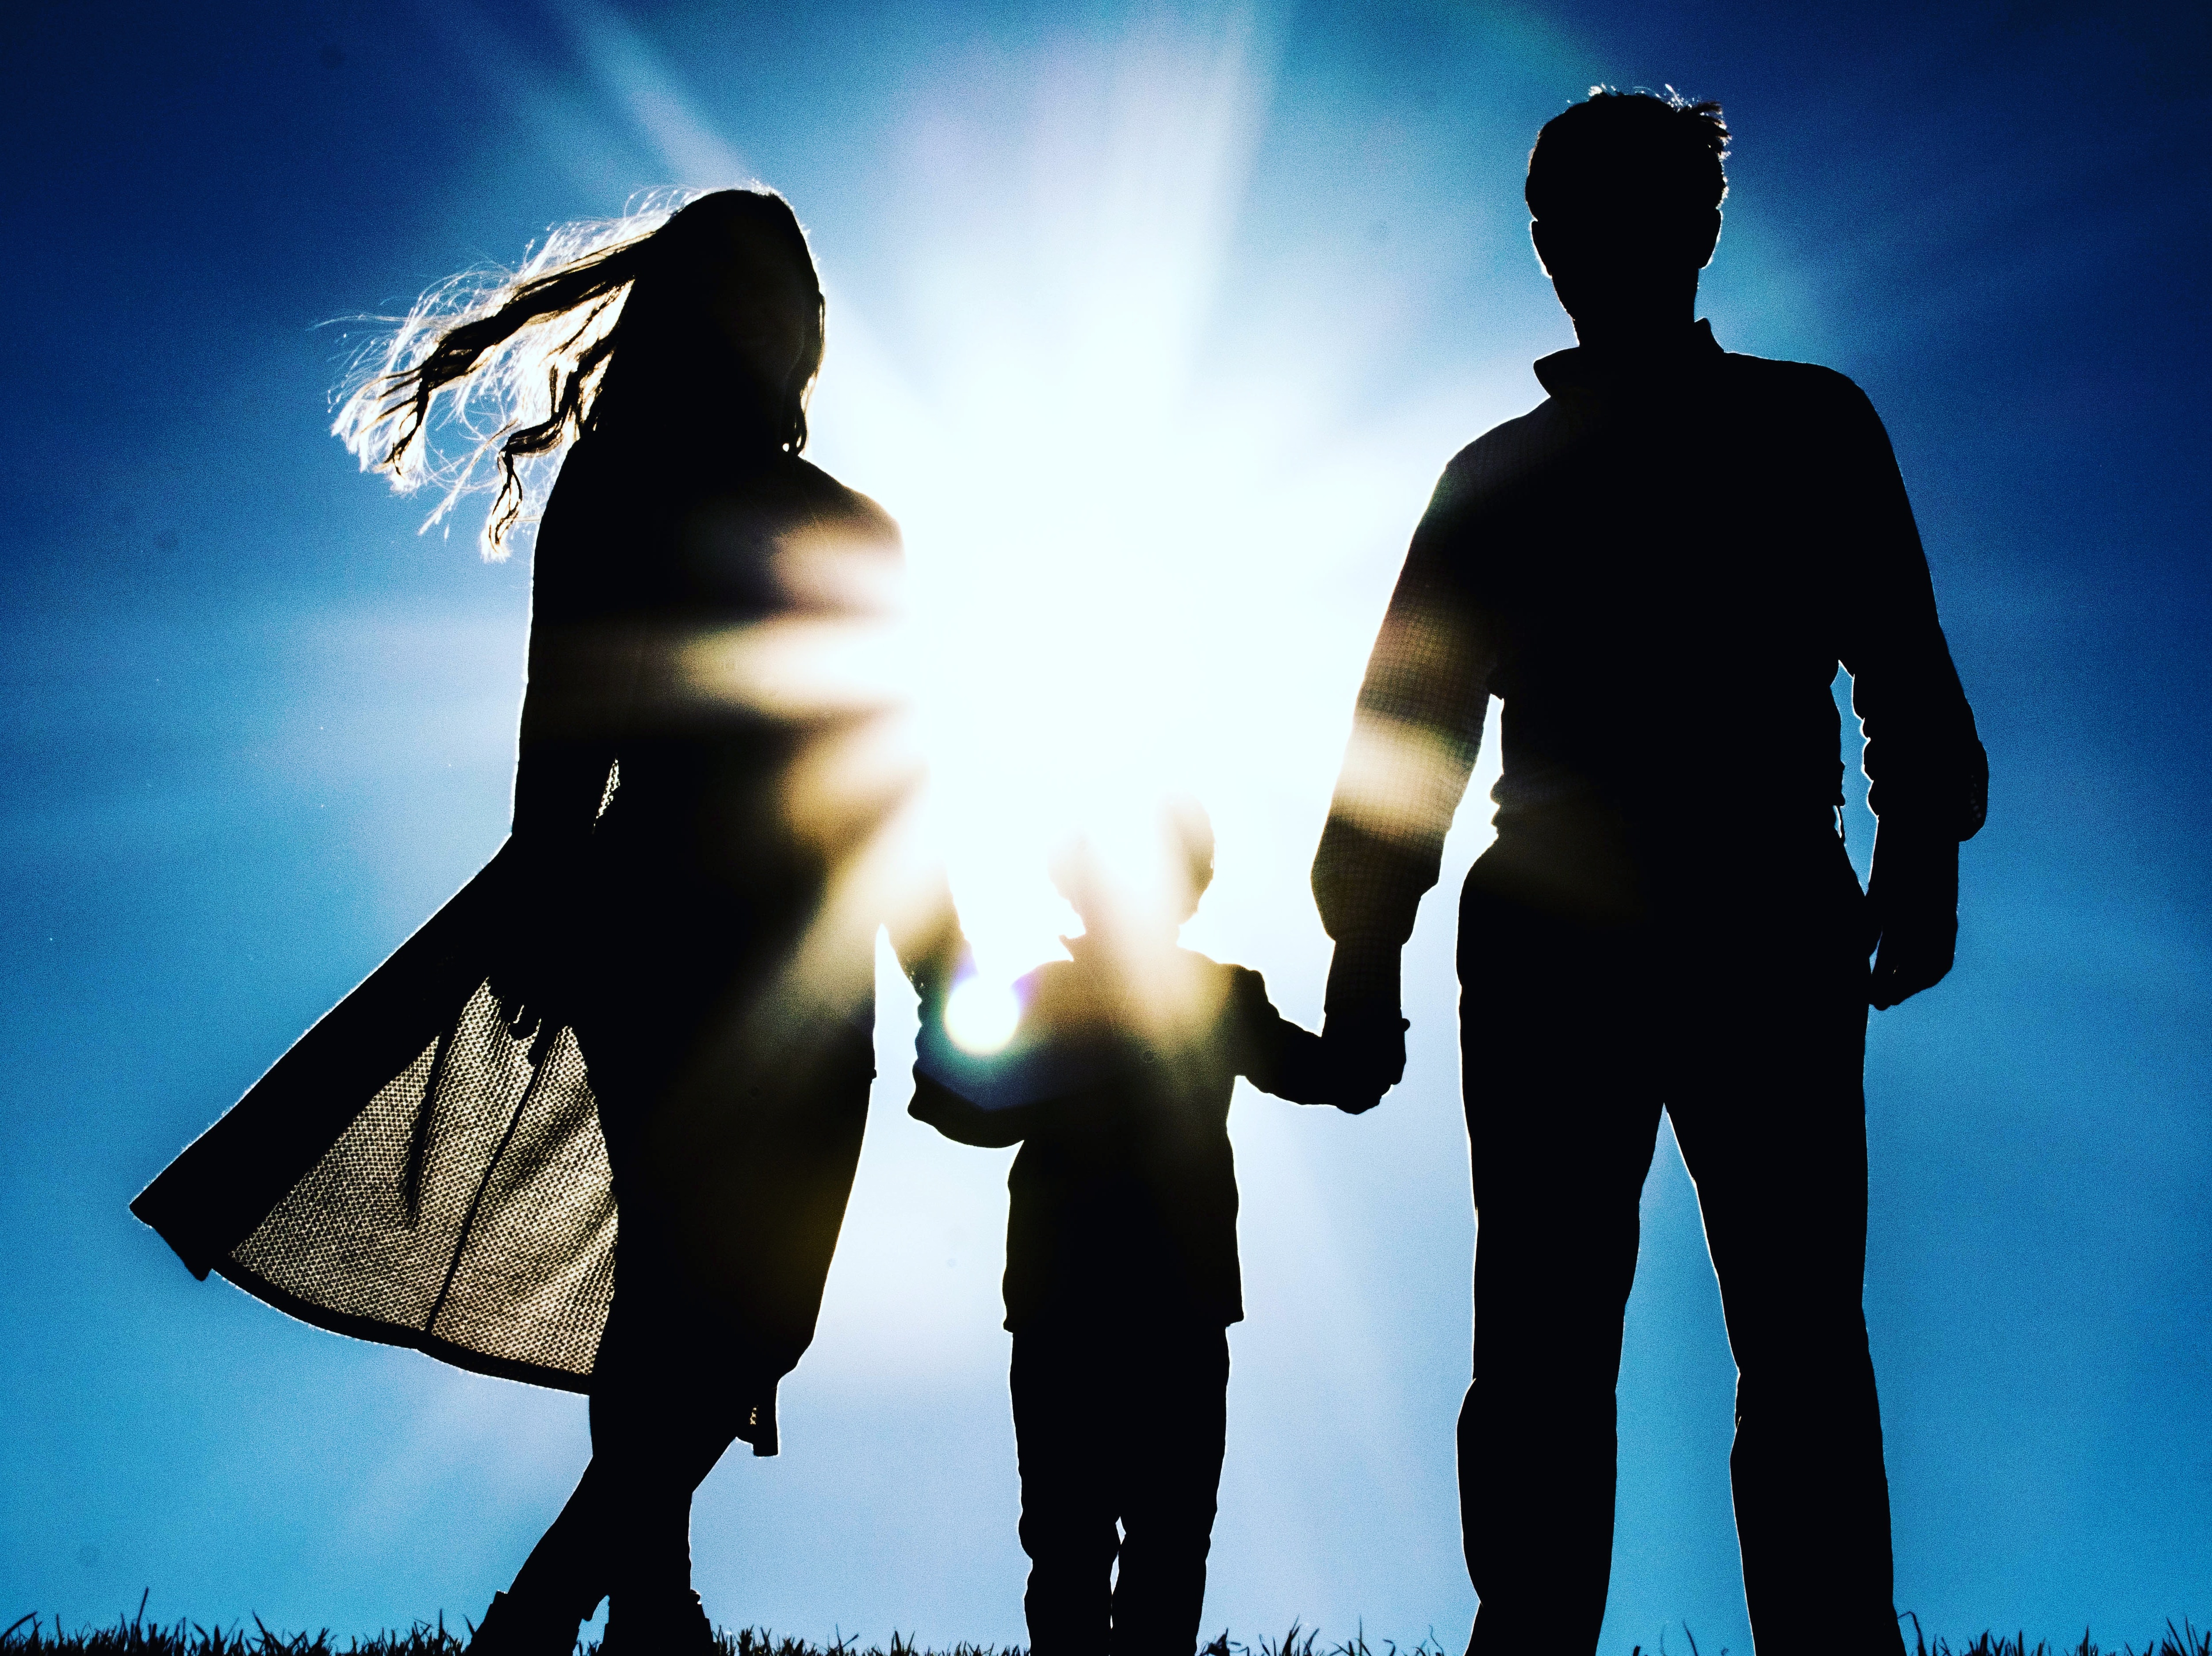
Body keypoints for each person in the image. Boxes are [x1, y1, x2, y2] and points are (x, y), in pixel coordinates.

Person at [130, 188, 963, 1655]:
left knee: (760, 1315)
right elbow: (566, 723)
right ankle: (610, 1604)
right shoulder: (623, 484)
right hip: (659, 924)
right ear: (691, 313)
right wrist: (541, 897)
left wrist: (947, 977)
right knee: (685, 1286)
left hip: (819, 961)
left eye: (795, 298)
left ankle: (598, 1601)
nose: (778, 321)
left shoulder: (857, 530)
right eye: (748, 291)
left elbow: (889, 775)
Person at [1309, 90, 1987, 1656]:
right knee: (1566, 1324)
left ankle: (1810, 1632)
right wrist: (1363, 946)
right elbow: (1409, 726)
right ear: (1548, 242)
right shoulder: (1513, 471)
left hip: (1746, 906)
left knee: (1776, 1322)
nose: (1581, 249)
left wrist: (1923, 845)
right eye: (1563, 222)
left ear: (1698, 230)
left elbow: (1897, 657)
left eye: (1613, 215)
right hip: (1601, 923)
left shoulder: (1802, 426)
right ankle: (1546, 1628)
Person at [911, 801, 1353, 1656]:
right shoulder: (1191, 993)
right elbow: (1338, 1074)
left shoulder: (1125, 992)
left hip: (1093, 1305)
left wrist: (942, 1001)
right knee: (1134, 1541)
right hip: (1142, 1305)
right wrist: (1369, 987)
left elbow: (965, 1106)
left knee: (1111, 1541)